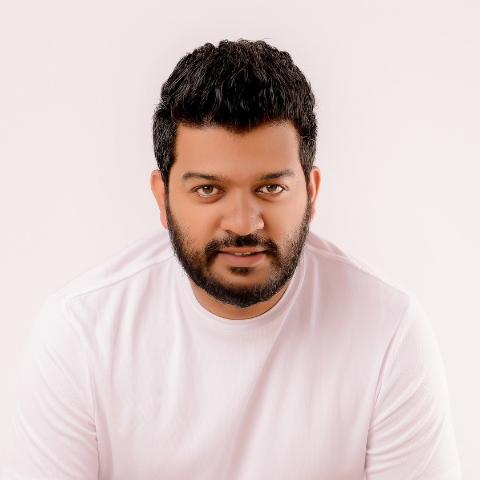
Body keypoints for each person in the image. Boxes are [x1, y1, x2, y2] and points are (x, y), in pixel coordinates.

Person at [2, 40, 461, 479]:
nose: (243, 223)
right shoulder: (81, 334)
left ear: (311, 193)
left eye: (271, 188)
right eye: (208, 189)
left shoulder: (389, 331)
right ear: (163, 198)